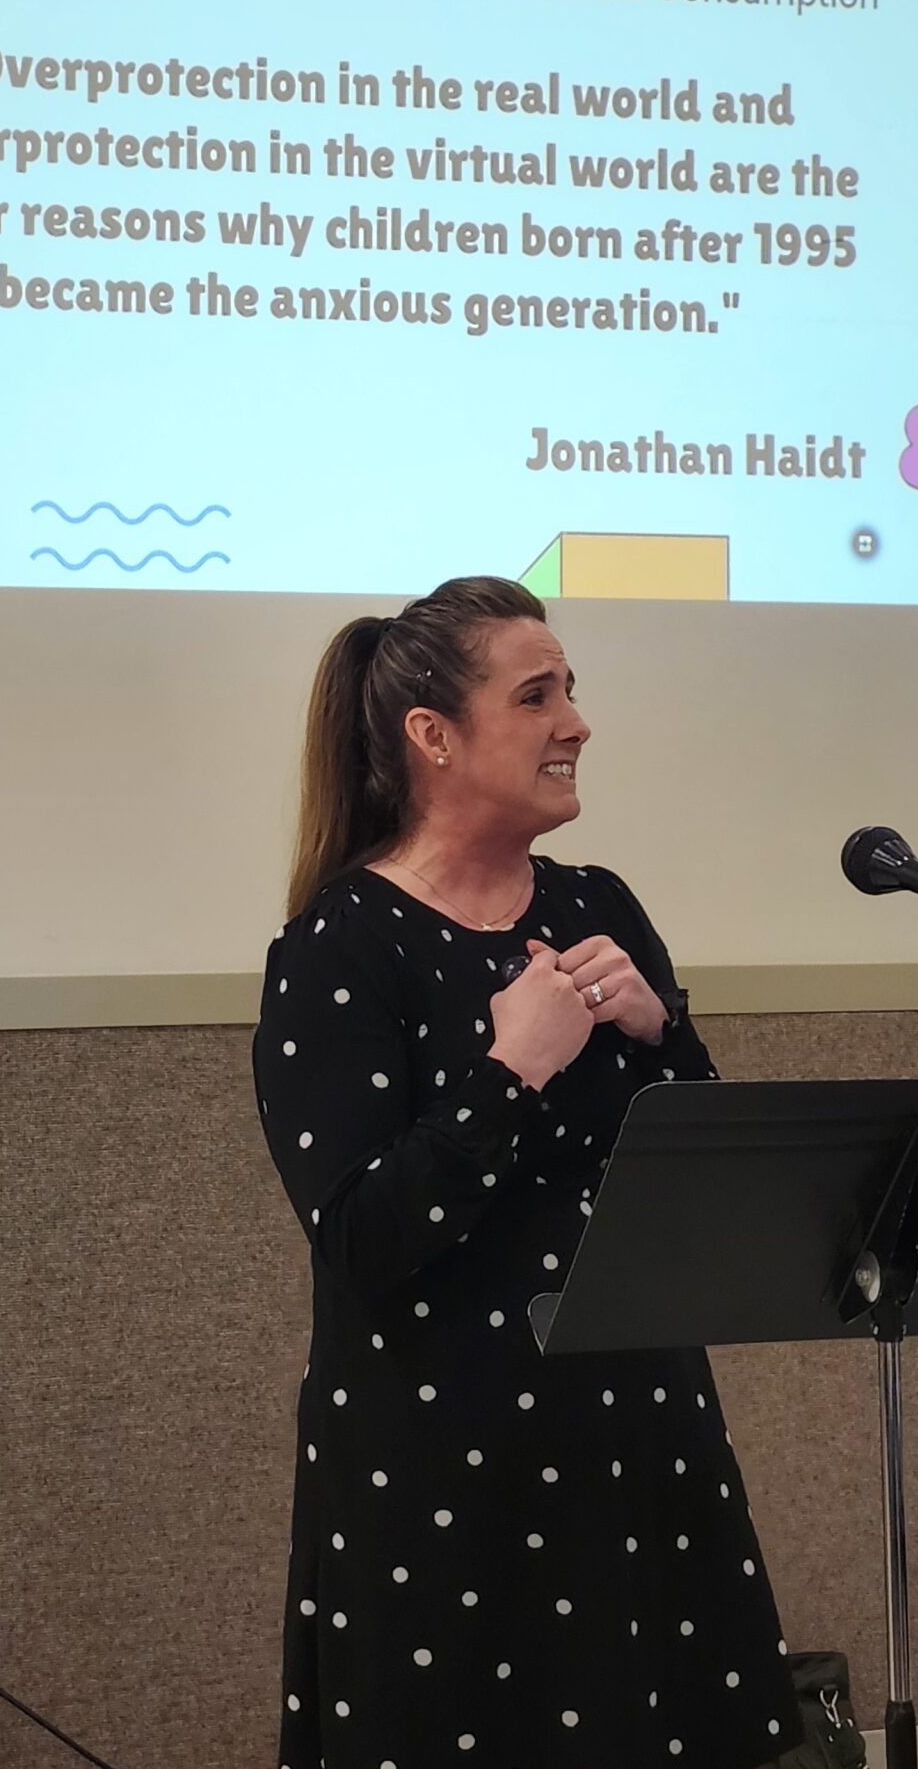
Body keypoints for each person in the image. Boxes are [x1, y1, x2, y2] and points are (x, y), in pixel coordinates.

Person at [254, 574, 803, 1769]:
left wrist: (662, 1033)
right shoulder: (341, 942)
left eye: (572, 691)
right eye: (537, 695)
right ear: (434, 735)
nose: (577, 723)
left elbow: (704, 1189)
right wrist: (510, 1070)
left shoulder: (597, 905)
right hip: (445, 1468)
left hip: (636, 1432)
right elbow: (359, 1239)